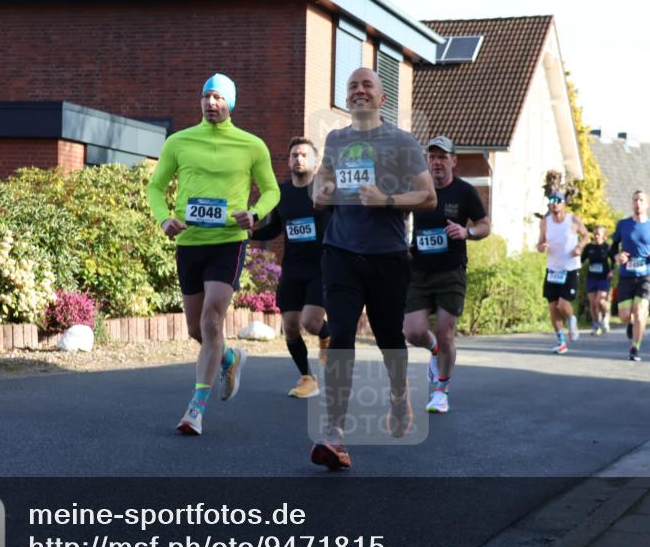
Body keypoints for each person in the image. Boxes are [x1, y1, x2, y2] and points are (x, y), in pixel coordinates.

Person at [309, 67, 436, 470]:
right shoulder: (336, 139)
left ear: (382, 99)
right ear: (347, 99)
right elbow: (319, 188)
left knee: (388, 340)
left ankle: (399, 394)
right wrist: (321, 191)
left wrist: (385, 200)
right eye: (353, 86)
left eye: (367, 86)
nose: (359, 91)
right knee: (342, 333)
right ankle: (334, 432)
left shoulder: (401, 142)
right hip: (341, 252)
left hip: (387, 256)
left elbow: (428, 196)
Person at [147, 73, 280, 436]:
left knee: (211, 318)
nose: (211, 103)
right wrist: (163, 219)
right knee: (197, 328)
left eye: (219, 97)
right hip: (190, 242)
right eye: (206, 96)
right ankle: (230, 358)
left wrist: (254, 214)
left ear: (231, 103)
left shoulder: (251, 145)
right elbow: (156, 188)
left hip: (228, 240)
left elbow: (271, 190)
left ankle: (196, 409)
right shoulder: (179, 141)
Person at [403, 135, 489, 414]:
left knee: (445, 330)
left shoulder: (464, 192)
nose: (437, 162)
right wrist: (402, 243)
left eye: (442, 157)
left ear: (454, 161)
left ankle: (441, 390)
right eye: (432, 156)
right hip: (419, 271)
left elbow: (485, 224)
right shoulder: (418, 188)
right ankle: (435, 351)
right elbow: (401, 217)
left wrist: (468, 232)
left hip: (451, 271)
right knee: (413, 332)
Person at [250, 137, 332, 398]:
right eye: (294, 155)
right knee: (291, 326)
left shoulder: (325, 191)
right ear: (288, 160)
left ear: (315, 161)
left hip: (321, 267)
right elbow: (275, 228)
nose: (299, 159)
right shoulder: (281, 194)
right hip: (293, 269)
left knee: (310, 321)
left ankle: (327, 336)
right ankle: (307, 378)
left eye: (304, 155)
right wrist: (250, 233)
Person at [610, 190, 650, 362]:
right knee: (625, 315)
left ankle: (635, 348)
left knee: (640, 312)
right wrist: (617, 257)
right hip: (626, 275)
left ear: (647, 204)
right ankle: (632, 323)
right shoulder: (623, 225)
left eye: (641, 200)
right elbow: (613, 248)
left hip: (646, 275)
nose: (637, 203)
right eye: (635, 200)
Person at [537, 191, 587, 354]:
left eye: (558, 201)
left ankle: (571, 319)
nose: (554, 203)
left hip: (570, 268)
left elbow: (586, 236)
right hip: (552, 269)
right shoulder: (545, 222)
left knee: (563, 304)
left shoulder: (573, 220)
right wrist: (542, 247)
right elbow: (539, 244)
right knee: (553, 308)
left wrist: (579, 247)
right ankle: (561, 342)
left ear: (564, 203)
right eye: (552, 200)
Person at [581, 226, 614, 336]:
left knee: (600, 301)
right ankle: (595, 324)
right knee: (593, 303)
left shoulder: (607, 247)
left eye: (598, 234)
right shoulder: (589, 247)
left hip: (604, 277)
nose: (596, 236)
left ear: (603, 236)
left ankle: (605, 317)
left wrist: (612, 271)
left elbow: (614, 260)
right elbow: (582, 259)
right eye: (595, 234)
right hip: (591, 277)